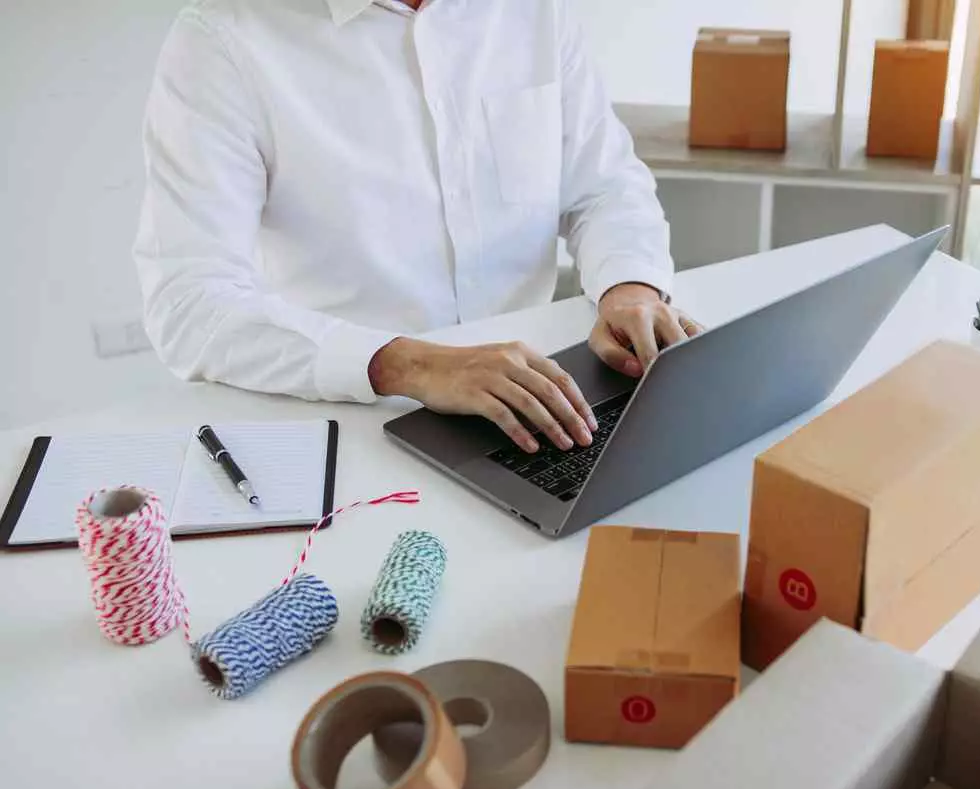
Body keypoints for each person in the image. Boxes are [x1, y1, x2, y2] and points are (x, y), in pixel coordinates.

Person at [134, 0, 702, 456]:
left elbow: (604, 186)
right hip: (353, 421)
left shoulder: (536, 13)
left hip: (542, 398)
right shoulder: (223, 39)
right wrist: (410, 363)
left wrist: (629, 286)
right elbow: (188, 305)